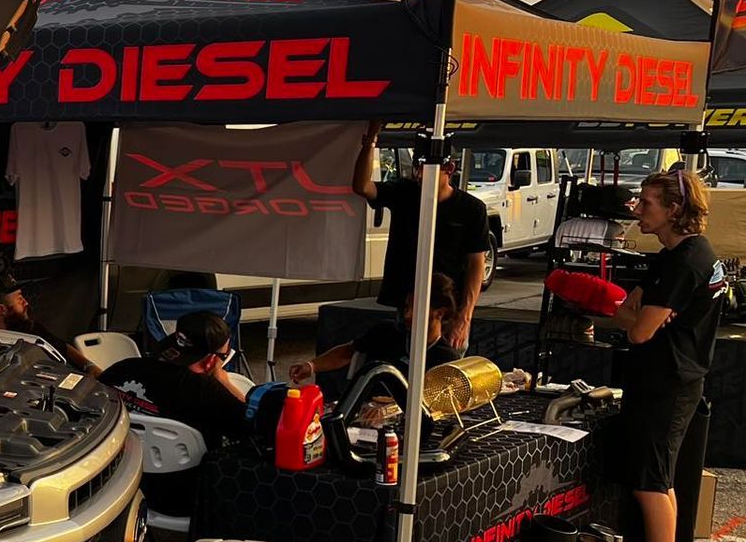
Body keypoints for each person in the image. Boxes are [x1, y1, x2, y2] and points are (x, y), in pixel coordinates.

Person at [607, 167, 721, 542]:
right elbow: (623, 312)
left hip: (668, 384)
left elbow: (637, 330)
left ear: (674, 209)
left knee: (651, 483)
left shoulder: (684, 261)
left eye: (647, 203)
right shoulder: (678, 254)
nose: (637, 209)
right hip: (667, 380)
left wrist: (641, 320)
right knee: (660, 479)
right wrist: (639, 319)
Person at [353, 122, 489, 350]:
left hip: (446, 309)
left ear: (449, 169)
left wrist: (465, 316)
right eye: (417, 167)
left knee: (444, 376)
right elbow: (362, 186)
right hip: (408, 303)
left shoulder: (471, 209)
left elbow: (477, 263)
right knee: (404, 365)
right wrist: (371, 141)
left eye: (427, 168)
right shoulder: (405, 193)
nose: (419, 174)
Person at [100, 312, 251, 516]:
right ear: (211, 361)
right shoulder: (205, 391)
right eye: (224, 356)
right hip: (187, 497)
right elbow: (254, 425)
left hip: (118, 484)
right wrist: (223, 380)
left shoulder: (123, 368)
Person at [293, 274, 462, 385]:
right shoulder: (387, 332)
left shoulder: (446, 359)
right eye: (406, 307)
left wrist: (390, 410)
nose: (408, 315)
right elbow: (348, 352)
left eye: (416, 309)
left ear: (439, 313)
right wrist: (311, 366)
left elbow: (438, 406)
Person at [0, 274, 97, 375]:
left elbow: (62, 347)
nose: (26, 303)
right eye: (19, 299)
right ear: (1, 309)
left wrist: (89, 366)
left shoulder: (27, 327)